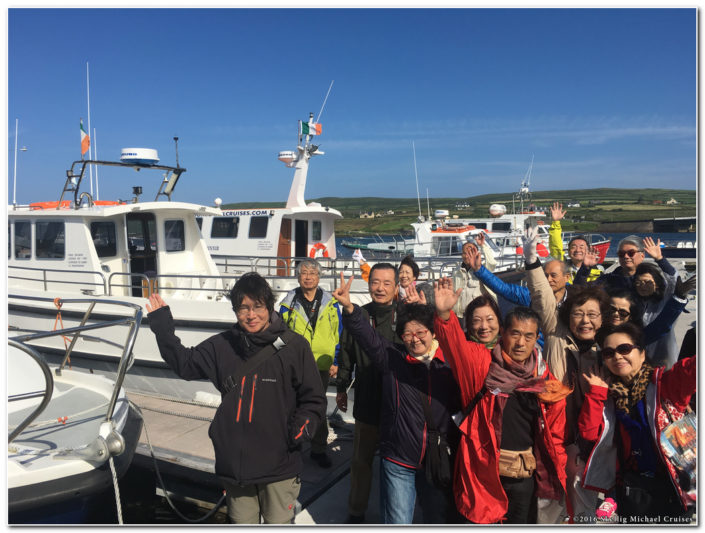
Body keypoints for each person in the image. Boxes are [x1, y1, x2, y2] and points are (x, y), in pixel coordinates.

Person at [146, 273, 326, 524]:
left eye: (257, 307)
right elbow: (185, 365)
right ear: (235, 311)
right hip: (236, 470)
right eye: (243, 308)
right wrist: (162, 327)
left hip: (279, 466)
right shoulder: (222, 345)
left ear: (269, 307)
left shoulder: (295, 347)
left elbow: (314, 400)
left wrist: (297, 433)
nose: (251, 315)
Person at [432, 283, 570, 524]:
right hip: (482, 475)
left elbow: (553, 431)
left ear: (536, 338)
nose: (520, 343)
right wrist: (445, 316)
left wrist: (559, 470)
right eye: (515, 334)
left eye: (529, 336)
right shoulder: (481, 363)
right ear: (503, 333)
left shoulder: (543, 376)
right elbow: (455, 346)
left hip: (524, 478)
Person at [333, 275, 460, 524]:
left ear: (432, 332)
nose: (415, 339)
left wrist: (444, 315)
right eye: (407, 334)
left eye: (420, 332)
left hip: (437, 457)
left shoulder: (447, 361)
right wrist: (349, 308)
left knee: (437, 518)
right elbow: (367, 336)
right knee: (398, 520)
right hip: (398, 459)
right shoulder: (392, 358)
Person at [522, 226, 609, 523]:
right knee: (550, 504)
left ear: (602, 319)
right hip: (555, 437)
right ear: (567, 316)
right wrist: (532, 259)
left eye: (592, 315)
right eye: (578, 314)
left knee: (586, 504)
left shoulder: (608, 350)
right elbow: (542, 297)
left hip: (591, 442)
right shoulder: (557, 334)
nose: (584, 321)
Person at [580, 323, 696, 523]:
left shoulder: (665, 385)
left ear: (642, 354)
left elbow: (693, 369)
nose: (617, 356)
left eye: (624, 349)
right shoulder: (609, 396)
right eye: (609, 353)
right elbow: (588, 433)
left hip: (673, 487)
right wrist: (596, 394)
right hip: (634, 490)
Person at [335, 262, 401, 523]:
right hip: (366, 400)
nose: (380, 288)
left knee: (395, 465)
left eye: (387, 283)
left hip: (398, 405)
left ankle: (394, 514)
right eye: (375, 282)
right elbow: (347, 355)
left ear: (396, 287)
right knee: (361, 462)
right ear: (368, 283)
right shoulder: (357, 315)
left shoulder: (406, 316)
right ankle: (356, 511)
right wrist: (341, 388)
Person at [279, 258, 342, 468]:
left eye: (312, 273)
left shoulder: (330, 303)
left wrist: (336, 360)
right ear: (298, 276)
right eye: (304, 272)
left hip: (322, 365)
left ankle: (318, 449)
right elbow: (279, 334)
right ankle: (292, 446)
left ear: (319, 277)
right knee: (291, 406)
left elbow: (339, 332)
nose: (308, 276)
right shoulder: (289, 303)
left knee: (318, 406)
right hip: (295, 365)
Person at [548, 202, 602, 282]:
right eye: (573, 247)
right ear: (569, 252)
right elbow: (556, 246)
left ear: (588, 251)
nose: (577, 250)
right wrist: (556, 222)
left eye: (581, 247)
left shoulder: (598, 274)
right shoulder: (562, 267)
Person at [451, 234, 497, 328]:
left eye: (471, 252)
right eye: (465, 253)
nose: (468, 255)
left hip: (480, 315)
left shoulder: (483, 270)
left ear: (476, 253)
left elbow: (492, 263)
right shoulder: (456, 271)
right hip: (462, 315)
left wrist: (482, 245)